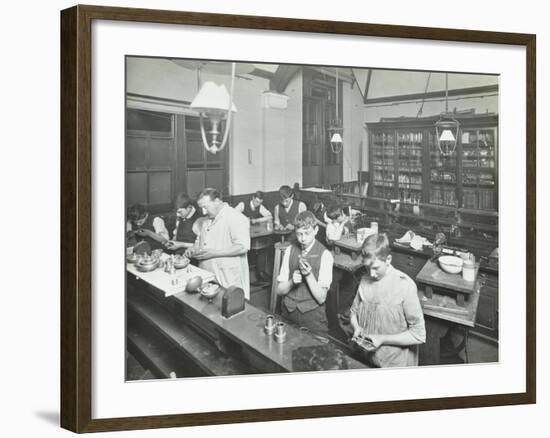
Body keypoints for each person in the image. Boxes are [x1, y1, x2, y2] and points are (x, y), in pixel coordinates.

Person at [349, 233, 426, 367]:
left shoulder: (405, 285)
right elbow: (353, 313)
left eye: (376, 268)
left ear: (388, 259)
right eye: (367, 267)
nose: (371, 274)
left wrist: (382, 339)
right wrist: (356, 327)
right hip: (365, 357)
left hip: (394, 363)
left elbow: (418, 335)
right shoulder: (364, 280)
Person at [185, 188, 251, 299]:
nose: (203, 212)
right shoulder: (206, 220)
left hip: (227, 279)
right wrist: (193, 248)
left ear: (217, 201)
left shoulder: (235, 217)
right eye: (201, 208)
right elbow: (199, 241)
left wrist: (214, 253)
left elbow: (242, 247)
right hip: (207, 275)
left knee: (229, 307)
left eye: (206, 207)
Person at [276, 211, 334, 335]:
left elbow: (321, 298)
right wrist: (292, 282)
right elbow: (279, 290)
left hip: (312, 317)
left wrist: (308, 275)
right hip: (288, 313)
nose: (302, 238)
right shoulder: (289, 250)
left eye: (307, 233)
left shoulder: (325, 255)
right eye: (299, 234)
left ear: (316, 230)